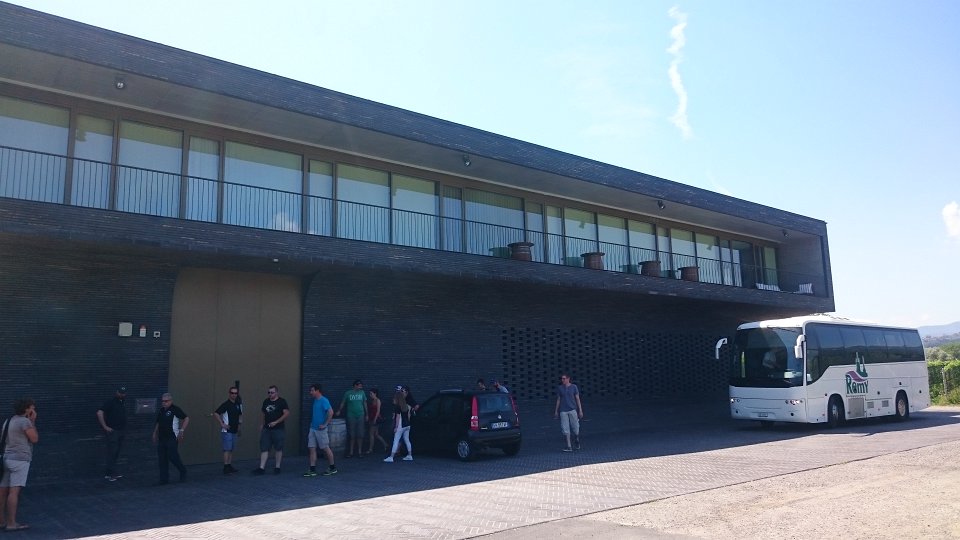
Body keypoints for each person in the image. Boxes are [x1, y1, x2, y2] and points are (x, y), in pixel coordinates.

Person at [0, 398, 39, 532]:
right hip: (20, 459)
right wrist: (32, 421)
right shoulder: (24, 422)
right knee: (14, 492)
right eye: (32, 408)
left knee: (2, 491)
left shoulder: (8, 420)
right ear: (27, 409)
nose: (34, 410)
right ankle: (11, 523)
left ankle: (1, 521)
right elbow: (34, 439)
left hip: (6, 458)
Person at [152, 393, 189, 484]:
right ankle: (164, 479)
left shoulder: (175, 409)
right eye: (162, 401)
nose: (164, 403)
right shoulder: (161, 410)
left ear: (170, 401)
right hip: (162, 437)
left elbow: (186, 418)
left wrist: (182, 430)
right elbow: (158, 422)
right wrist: (155, 433)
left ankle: (182, 470)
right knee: (162, 458)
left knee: (173, 456)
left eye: (166, 401)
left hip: (172, 437)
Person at [302, 384, 337, 477]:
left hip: (321, 430)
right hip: (313, 428)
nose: (310, 392)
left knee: (325, 448)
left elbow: (331, 412)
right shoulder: (315, 400)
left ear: (317, 391)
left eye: (312, 390)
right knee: (312, 448)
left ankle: (332, 467)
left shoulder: (324, 400)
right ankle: (312, 469)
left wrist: (325, 424)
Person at [254, 385, 289, 475]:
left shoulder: (282, 401)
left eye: (272, 392)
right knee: (264, 448)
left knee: (278, 448)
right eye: (269, 392)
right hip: (267, 429)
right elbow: (263, 413)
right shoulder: (266, 401)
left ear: (276, 392)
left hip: (278, 429)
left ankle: (277, 467)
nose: (270, 394)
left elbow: (286, 413)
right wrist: (262, 424)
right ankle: (261, 468)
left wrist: (276, 422)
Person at [96, 386, 127, 482]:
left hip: (120, 431)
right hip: (113, 431)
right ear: (116, 392)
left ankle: (111, 472)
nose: (121, 394)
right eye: (120, 392)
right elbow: (99, 412)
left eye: (123, 393)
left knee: (116, 452)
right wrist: (105, 426)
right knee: (112, 452)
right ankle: (111, 474)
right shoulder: (111, 402)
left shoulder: (122, 402)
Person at [213, 386, 242, 475]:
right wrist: (222, 423)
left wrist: (239, 426)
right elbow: (216, 413)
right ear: (229, 393)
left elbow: (240, 416)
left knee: (231, 449)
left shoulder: (238, 404)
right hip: (227, 431)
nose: (234, 395)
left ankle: (229, 465)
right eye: (232, 393)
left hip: (234, 430)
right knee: (227, 449)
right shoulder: (226, 404)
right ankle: (225, 466)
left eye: (235, 393)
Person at [336, 379, 367, 458]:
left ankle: (359, 451)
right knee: (352, 434)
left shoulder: (362, 393)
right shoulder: (348, 393)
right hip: (351, 415)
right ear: (355, 386)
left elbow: (365, 403)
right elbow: (343, 402)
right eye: (359, 385)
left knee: (360, 434)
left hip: (360, 415)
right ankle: (351, 452)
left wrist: (367, 414)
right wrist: (339, 410)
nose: (360, 387)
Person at [554, 373, 583, 452]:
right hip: (563, 410)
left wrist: (580, 410)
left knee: (575, 426)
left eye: (564, 378)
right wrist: (556, 411)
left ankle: (576, 438)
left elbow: (577, 398)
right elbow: (558, 399)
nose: (562, 380)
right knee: (565, 427)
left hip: (572, 409)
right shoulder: (560, 388)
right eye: (562, 379)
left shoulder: (574, 387)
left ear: (568, 379)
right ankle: (569, 446)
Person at [383, 389, 413, 462]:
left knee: (396, 440)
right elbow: (409, 416)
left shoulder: (398, 407)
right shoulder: (407, 406)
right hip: (407, 425)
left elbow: (398, 418)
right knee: (407, 440)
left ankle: (391, 457)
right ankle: (410, 455)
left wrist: (396, 427)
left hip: (400, 426)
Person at [364, 388, 388, 455]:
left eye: (371, 393)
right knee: (376, 434)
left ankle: (370, 449)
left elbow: (378, 411)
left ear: (375, 393)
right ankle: (385, 444)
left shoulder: (378, 400)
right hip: (372, 418)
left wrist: (375, 419)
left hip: (375, 419)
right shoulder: (372, 401)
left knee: (371, 434)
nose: (370, 395)